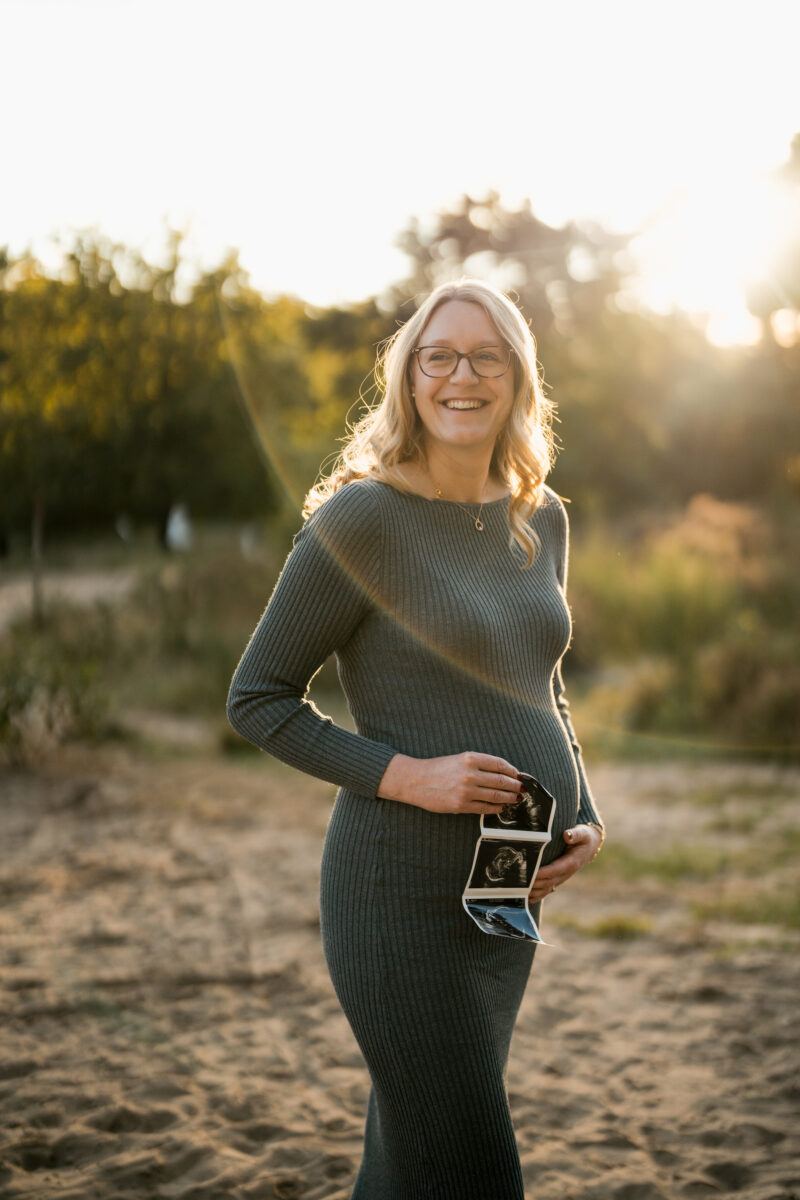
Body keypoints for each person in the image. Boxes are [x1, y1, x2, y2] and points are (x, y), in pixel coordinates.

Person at [227, 278, 605, 1200]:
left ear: (517, 378)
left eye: (486, 356)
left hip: (510, 883)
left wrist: (584, 812)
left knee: (413, 1153)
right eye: (438, 356)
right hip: (395, 892)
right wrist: (410, 777)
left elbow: (540, 683)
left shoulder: (540, 517)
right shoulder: (361, 520)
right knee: (470, 1159)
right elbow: (259, 697)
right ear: (408, 379)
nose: (461, 375)